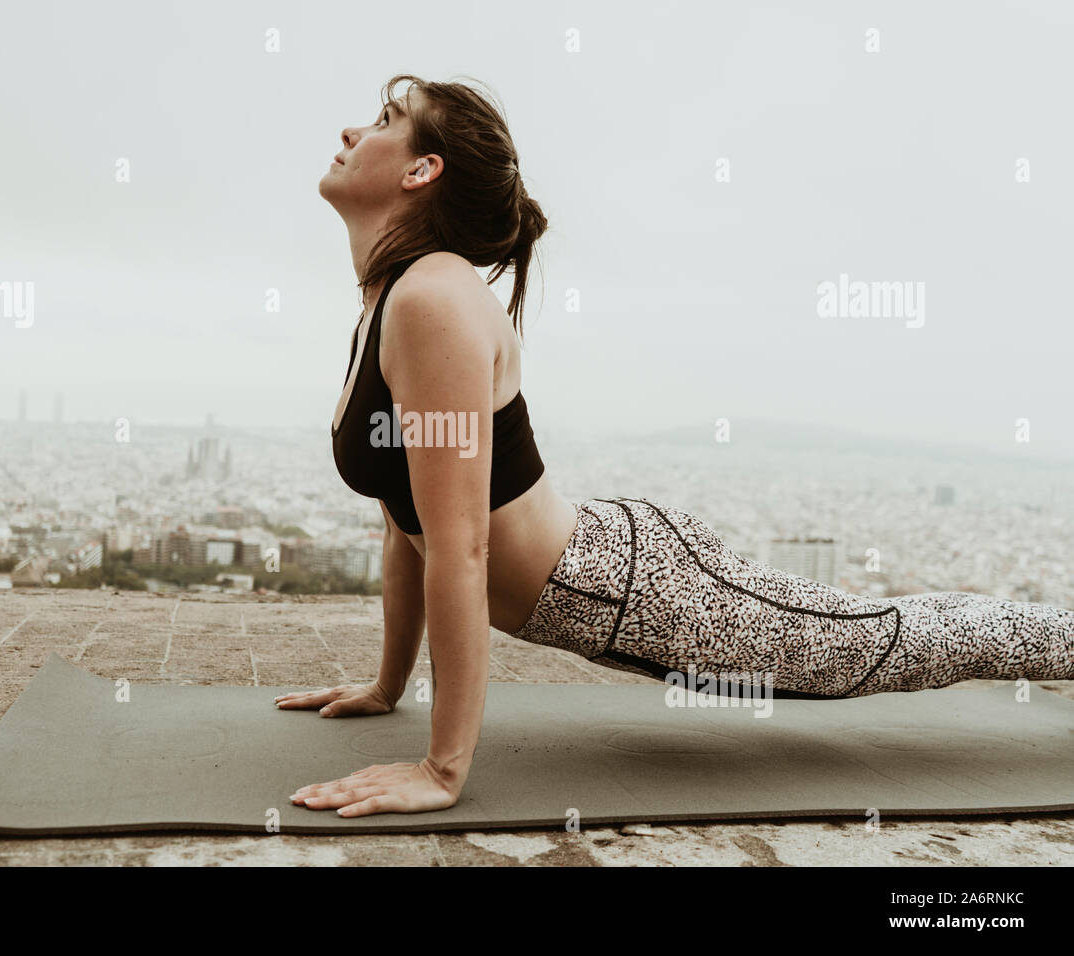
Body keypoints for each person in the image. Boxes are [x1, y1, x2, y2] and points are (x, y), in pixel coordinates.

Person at [278, 73, 1074, 819]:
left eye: (384, 120)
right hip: (610, 577)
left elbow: (463, 549)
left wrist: (442, 770)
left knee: (876, 646)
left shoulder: (433, 299)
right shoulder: (392, 299)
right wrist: (387, 687)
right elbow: (405, 522)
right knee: (873, 639)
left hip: (642, 587)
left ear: (423, 171)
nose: (352, 129)